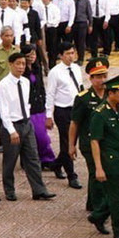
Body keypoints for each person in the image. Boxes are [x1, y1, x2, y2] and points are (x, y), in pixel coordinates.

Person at [0, 51, 56, 202]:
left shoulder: (25, 82)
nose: (21, 67)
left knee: (33, 158)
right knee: (10, 160)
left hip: (26, 123)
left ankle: (39, 190)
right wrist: (11, 130)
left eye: (23, 64)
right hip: (12, 125)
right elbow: (4, 111)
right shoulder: (3, 85)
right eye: (18, 64)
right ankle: (9, 190)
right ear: (10, 64)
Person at [88, 72, 119, 238]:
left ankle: (98, 215)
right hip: (109, 161)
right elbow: (95, 141)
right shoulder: (100, 114)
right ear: (111, 93)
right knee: (115, 199)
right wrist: (99, 167)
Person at [69, 56, 109, 227]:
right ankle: (98, 208)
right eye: (98, 77)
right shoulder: (83, 98)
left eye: (104, 76)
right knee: (96, 173)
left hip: (106, 142)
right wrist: (71, 145)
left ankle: (91, 202)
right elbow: (75, 123)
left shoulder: (110, 94)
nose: (102, 80)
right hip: (89, 142)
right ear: (91, 78)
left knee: (98, 173)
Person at [44, 41, 84, 188]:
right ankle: (71, 175)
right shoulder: (55, 72)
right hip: (63, 110)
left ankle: (56, 164)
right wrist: (48, 115)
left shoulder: (76, 68)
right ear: (61, 55)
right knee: (67, 142)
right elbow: (50, 94)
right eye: (67, 54)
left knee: (72, 141)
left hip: (76, 109)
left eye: (72, 53)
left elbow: (80, 87)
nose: (70, 56)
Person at [23, 44, 57, 172]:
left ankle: (47, 159)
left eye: (33, 54)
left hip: (39, 106)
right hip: (29, 107)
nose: (32, 57)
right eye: (29, 55)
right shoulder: (22, 72)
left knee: (43, 136)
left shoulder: (37, 68)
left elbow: (42, 87)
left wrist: (46, 105)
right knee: (35, 135)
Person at [42, 0, 61, 65]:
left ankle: (52, 63)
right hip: (43, 29)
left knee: (52, 47)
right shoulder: (41, 7)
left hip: (52, 29)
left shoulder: (54, 8)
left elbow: (57, 19)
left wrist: (48, 22)